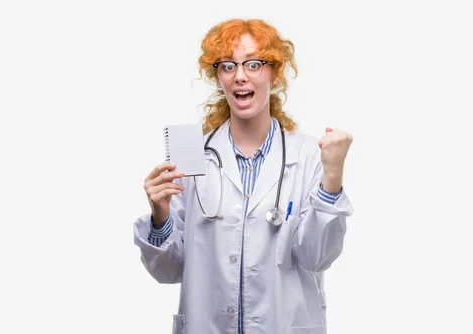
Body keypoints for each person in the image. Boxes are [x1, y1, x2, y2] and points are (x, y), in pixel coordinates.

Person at [134, 18, 353, 334]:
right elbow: (168, 271)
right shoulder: (192, 158)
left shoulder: (308, 156)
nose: (239, 77)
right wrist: (160, 216)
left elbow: (316, 257)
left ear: (275, 74)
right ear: (218, 77)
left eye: (253, 65)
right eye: (227, 66)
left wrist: (333, 176)